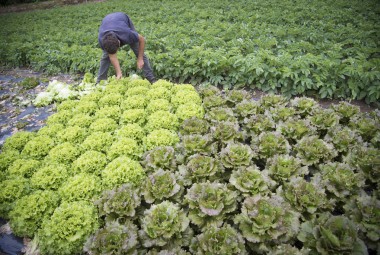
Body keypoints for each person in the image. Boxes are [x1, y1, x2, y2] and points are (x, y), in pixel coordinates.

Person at [97, 12, 157, 83]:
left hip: (122, 18)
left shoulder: (127, 33)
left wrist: (140, 58)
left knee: (138, 50)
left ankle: (151, 79)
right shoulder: (102, 40)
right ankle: (99, 82)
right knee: (106, 56)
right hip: (108, 21)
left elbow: (142, 39)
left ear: (119, 42)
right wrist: (119, 72)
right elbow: (112, 56)